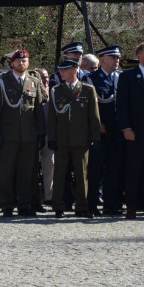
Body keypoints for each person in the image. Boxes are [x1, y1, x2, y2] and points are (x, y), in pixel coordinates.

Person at [0, 49, 47, 218]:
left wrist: (41, 133)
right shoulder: (2, 81)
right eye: (18, 61)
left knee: (26, 172)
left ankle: (24, 204)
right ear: (12, 63)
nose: (22, 64)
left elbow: (38, 110)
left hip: (29, 135)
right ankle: (7, 204)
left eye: (25, 61)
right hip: (9, 134)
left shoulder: (34, 82)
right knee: (6, 172)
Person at [47, 58, 100, 218]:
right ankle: (58, 206)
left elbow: (94, 116)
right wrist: (52, 138)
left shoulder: (87, 90)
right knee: (59, 174)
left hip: (81, 139)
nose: (61, 73)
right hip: (62, 139)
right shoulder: (56, 90)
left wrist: (94, 137)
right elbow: (52, 118)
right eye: (60, 70)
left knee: (81, 174)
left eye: (64, 69)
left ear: (75, 70)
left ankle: (82, 207)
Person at [87, 45, 124, 215]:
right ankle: (92, 205)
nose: (116, 61)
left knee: (114, 170)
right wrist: (96, 126)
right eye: (113, 58)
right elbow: (87, 107)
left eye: (117, 58)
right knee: (95, 171)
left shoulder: (121, 77)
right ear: (102, 60)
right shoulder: (91, 79)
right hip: (100, 132)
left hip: (118, 131)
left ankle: (111, 205)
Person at [117, 41, 144, 219]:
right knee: (134, 169)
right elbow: (122, 105)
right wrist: (126, 127)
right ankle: (132, 205)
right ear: (139, 55)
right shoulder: (128, 76)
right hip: (135, 132)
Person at [33, 67, 54, 210]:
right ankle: (33, 198)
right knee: (31, 167)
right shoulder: (32, 90)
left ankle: (49, 197)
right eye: (42, 77)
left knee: (50, 165)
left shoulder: (53, 90)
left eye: (47, 76)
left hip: (48, 132)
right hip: (33, 133)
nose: (46, 79)